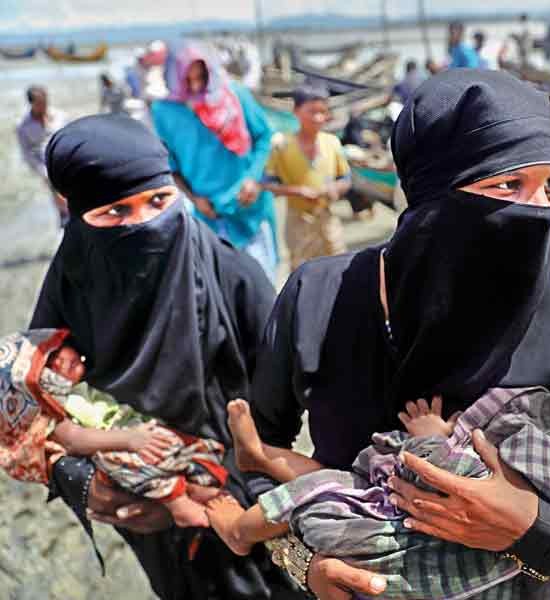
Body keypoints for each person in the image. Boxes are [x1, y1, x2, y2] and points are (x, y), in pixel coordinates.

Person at [247, 69, 550, 600]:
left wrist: (528, 526)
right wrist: (304, 562)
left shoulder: (539, 314)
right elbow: (255, 452)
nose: (537, 210)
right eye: (509, 184)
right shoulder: (318, 297)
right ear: (436, 193)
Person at [32, 114, 288, 599]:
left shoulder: (234, 278)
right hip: (139, 513)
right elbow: (31, 406)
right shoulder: (73, 287)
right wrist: (83, 482)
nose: (143, 223)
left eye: (157, 200)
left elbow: (282, 411)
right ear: (77, 215)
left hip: (244, 508)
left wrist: (222, 497)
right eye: (115, 212)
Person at [208, 358, 550, 598]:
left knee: (322, 490)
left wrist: (435, 436)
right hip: (400, 544)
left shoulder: (520, 469)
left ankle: (240, 528)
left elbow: (433, 476)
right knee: (333, 479)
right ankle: (263, 457)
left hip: (399, 549)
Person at [0, 329, 227, 528]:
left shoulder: (86, 385)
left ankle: (198, 485)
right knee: (114, 458)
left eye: (54, 352)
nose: (58, 361)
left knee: (177, 443)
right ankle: (179, 504)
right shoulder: (56, 416)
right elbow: (74, 440)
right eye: (46, 369)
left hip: (141, 432)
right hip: (123, 449)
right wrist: (128, 440)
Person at [151, 41, 279, 282]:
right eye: (187, 80)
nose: (196, 85)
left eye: (201, 77)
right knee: (222, 290)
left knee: (264, 286)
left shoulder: (235, 95)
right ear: (174, 78)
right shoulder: (164, 112)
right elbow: (171, 167)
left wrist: (252, 178)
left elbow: (263, 137)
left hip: (249, 206)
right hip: (209, 214)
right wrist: (194, 198)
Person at [264, 83, 352, 269]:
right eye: (312, 111)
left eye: (323, 112)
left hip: (327, 218)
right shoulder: (282, 145)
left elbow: (345, 179)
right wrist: (298, 191)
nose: (319, 118)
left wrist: (334, 188)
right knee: (302, 272)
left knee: (338, 268)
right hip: (298, 220)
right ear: (296, 111)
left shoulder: (332, 143)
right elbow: (268, 184)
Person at [16, 85, 68, 227]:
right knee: (60, 202)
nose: (44, 106)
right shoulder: (23, 126)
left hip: (68, 162)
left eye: (45, 101)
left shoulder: (59, 116)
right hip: (47, 168)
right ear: (31, 104)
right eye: (39, 103)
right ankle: (64, 226)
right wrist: (43, 172)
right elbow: (27, 154)